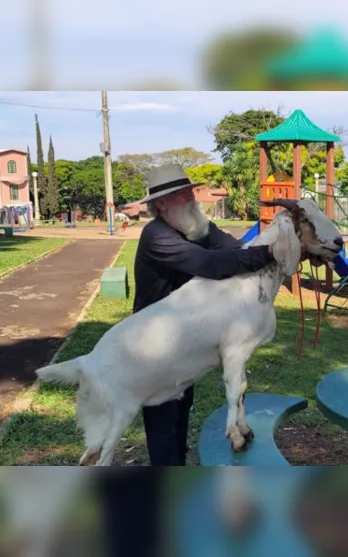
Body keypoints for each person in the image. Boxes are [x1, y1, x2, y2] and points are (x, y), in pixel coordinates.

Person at [133, 163, 275, 466]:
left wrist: (269, 252)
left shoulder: (194, 226)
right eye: (181, 194)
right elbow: (209, 264)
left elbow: (233, 247)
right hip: (154, 343)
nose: (190, 197)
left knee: (182, 407)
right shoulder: (156, 235)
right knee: (163, 422)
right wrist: (268, 254)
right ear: (161, 203)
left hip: (184, 337)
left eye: (189, 190)